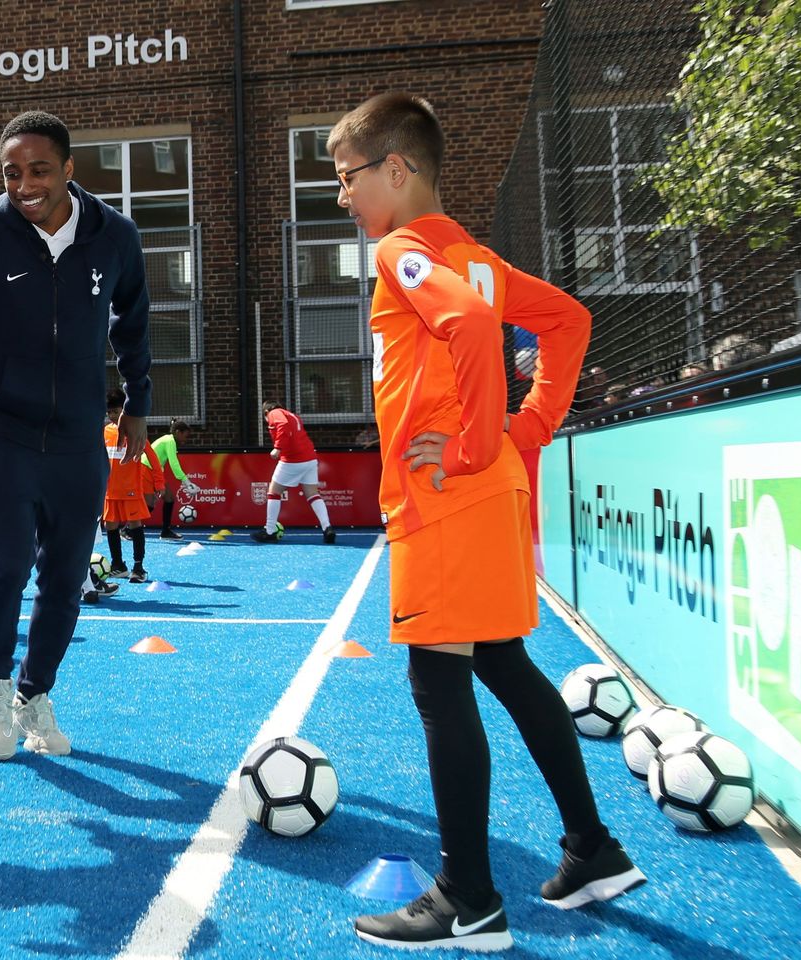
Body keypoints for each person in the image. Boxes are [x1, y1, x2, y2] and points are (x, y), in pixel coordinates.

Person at [330, 92, 644, 951]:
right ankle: (594, 847)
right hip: (491, 488)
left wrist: (471, 446)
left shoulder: (402, 252)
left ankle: (467, 900)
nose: (345, 197)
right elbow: (569, 323)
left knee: (440, 686)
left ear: (396, 170)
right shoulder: (477, 258)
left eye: (349, 177)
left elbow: (469, 330)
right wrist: (525, 431)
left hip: (449, 496)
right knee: (505, 663)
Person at [0, 109, 151, 761]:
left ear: (69, 169)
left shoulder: (114, 236)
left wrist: (137, 402)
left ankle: (34, 694)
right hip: (3, 434)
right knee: (8, 564)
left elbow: (133, 323)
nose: (25, 184)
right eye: (13, 172)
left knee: (67, 577)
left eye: (40, 169)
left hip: (78, 441)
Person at [102, 388, 164, 582]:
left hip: (131, 490)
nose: (112, 415)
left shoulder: (134, 431)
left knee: (135, 525)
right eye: (109, 412)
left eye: (116, 411)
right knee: (110, 525)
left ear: (125, 410)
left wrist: (159, 482)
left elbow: (153, 458)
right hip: (110, 492)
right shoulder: (104, 432)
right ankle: (118, 565)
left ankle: (139, 567)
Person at [250, 402, 335, 544]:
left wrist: (277, 448)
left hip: (292, 459)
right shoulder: (292, 415)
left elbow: (282, 425)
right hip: (309, 458)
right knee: (313, 494)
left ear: (266, 413)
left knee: (273, 492)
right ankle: (327, 528)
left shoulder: (274, 413)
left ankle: (269, 531)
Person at [151, 418, 199, 539]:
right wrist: (187, 482)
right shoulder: (170, 441)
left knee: (169, 498)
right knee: (149, 503)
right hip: (148, 470)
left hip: (155, 472)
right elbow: (174, 464)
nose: (185, 440)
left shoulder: (169, 440)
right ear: (178, 432)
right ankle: (129, 529)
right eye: (185, 436)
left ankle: (165, 532)